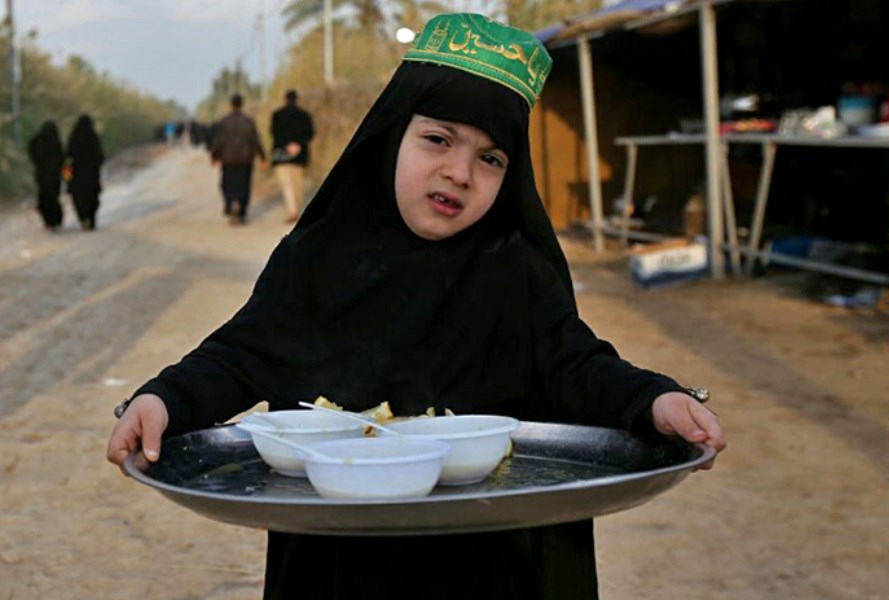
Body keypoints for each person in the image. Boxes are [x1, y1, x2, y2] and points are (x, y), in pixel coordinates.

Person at [107, 13, 725, 600]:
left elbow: (577, 364)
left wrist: (655, 398)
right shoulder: (317, 259)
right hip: (341, 562)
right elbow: (239, 356)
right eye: (437, 139)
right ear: (391, 136)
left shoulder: (514, 268)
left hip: (489, 560)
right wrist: (163, 399)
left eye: (490, 158)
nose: (460, 173)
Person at [210, 94, 266, 224]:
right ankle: (241, 211)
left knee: (227, 184)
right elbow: (255, 140)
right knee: (244, 185)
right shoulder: (248, 121)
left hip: (228, 160)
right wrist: (262, 156)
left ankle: (231, 204)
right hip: (245, 159)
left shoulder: (224, 121)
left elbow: (219, 140)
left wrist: (214, 156)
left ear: (231, 104)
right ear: (242, 104)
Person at [269, 89, 316, 223]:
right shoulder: (304, 115)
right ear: (297, 99)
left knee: (286, 184)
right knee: (297, 183)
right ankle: (295, 208)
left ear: (285, 99)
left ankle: (292, 210)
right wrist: (298, 145)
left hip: (281, 155)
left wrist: (286, 145)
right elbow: (310, 133)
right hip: (299, 155)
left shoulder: (277, 115)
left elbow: (274, 133)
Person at [65, 114, 105, 231]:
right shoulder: (94, 138)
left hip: (76, 176)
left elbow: (67, 159)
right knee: (92, 197)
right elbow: (100, 157)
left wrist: (67, 176)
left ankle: (83, 219)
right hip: (91, 176)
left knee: (79, 198)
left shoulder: (73, 139)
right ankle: (91, 220)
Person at [27, 120, 65, 231]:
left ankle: (49, 221)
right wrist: (66, 176)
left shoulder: (36, 141)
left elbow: (32, 154)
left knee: (44, 196)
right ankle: (55, 219)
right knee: (53, 197)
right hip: (55, 177)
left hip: (41, 175)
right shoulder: (56, 143)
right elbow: (64, 160)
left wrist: (38, 164)